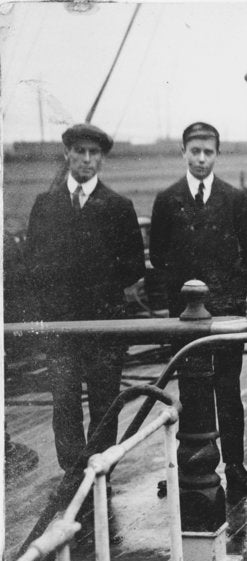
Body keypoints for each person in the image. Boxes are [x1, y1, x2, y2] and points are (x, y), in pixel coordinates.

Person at [149, 122, 247, 499]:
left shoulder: (233, 200)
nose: (201, 159)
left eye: (208, 152)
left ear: (217, 154)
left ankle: (234, 465)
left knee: (228, 390)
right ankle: (191, 470)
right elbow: (160, 256)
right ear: (183, 151)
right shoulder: (168, 200)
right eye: (194, 151)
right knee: (191, 392)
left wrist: (236, 291)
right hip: (185, 319)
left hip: (225, 314)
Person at [24, 123, 146, 473]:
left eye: (94, 154)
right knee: (64, 398)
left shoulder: (119, 206)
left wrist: (99, 288)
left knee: (106, 399)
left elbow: (134, 265)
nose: (87, 160)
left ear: (102, 159)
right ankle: (71, 474)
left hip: (104, 323)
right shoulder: (45, 205)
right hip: (61, 325)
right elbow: (33, 260)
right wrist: (56, 298)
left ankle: (98, 469)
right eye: (80, 152)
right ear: (68, 154)